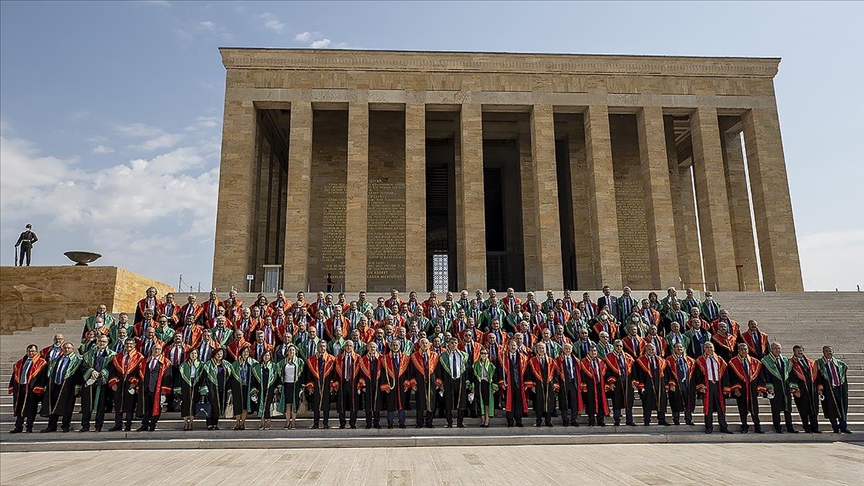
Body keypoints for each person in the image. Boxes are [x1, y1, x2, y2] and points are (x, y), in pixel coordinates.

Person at [693, 342, 732, 434]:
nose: (709, 349)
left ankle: (723, 426)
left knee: (721, 407)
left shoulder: (720, 360)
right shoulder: (700, 360)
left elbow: (725, 374)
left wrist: (726, 388)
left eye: (710, 347)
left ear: (714, 348)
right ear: (704, 349)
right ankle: (709, 427)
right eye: (707, 347)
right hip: (707, 385)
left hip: (718, 385)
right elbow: (698, 375)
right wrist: (701, 386)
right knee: (708, 407)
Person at [8, 344, 48, 433]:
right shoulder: (20, 363)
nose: (31, 353)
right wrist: (12, 387)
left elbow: (43, 377)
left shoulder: (41, 363)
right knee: (19, 408)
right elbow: (14, 376)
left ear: (36, 352)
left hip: (32, 389)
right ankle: (18, 427)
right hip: (20, 388)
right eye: (29, 351)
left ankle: (29, 427)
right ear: (26, 352)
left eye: (33, 351)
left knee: (31, 408)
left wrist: (39, 388)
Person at [727, 342, 765, 434]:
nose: (743, 351)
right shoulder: (733, 362)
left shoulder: (755, 362)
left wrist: (760, 389)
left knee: (754, 409)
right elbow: (731, 377)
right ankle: (744, 426)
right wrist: (735, 389)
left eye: (745, 349)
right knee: (742, 409)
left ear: (748, 350)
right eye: (741, 349)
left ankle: (757, 426)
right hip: (741, 390)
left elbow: (760, 377)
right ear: (738, 350)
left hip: (752, 390)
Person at [79, 335, 115, 432]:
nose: (102, 343)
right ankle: (85, 425)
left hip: (102, 382)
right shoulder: (89, 354)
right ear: (97, 341)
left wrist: (102, 373)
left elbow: (111, 367)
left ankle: (98, 426)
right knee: (87, 405)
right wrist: (91, 371)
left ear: (107, 343)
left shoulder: (112, 355)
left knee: (101, 405)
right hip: (90, 381)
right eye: (100, 341)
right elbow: (83, 365)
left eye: (104, 342)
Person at [761, 342, 798, 433]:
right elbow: (765, 375)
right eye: (775, 348)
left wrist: (792, 386)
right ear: (771, 349)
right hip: (775, 388)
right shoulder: (766, 361)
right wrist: (769, 387)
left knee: (788, 409)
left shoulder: (786, 360)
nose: (777, 350)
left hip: (785, 389)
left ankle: (790, 427)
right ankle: (777, 427)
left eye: (779, 348)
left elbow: (791, 374)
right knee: (776, 409)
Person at [108, 338, 144, 432]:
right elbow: (113, 371)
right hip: (119, 384)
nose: (128, 346)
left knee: (130, 405)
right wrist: (113, 382)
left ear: (134, 345)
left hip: (130, 384)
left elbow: (139, 372)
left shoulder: (139, 357)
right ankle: (118, 424)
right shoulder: (118, 356)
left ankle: (128, 425)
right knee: (118, 404)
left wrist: (134, 383)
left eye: (131, 344)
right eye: (127, 344)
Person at [815, 345, 851, 434]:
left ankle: (843, 426)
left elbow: (843, 377)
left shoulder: (840, 364)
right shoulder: (819, 364)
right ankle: (835, 427)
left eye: (830, 351)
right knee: (831, 408)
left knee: (842, 408)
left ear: (833, 352)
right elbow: (818, 378)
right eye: (826, 351)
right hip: (828, 389)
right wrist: (820, 388)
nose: (829, 352)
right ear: (823, 352)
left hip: (840, 389)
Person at [137, 343, 171, 432]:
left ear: (161, 351)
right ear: (152, 350)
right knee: (146, 407)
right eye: (155, 349)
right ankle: (144, 424)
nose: (156, 351)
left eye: (159, 349)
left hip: (157, 389)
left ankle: (153, 424)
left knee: (155, 408)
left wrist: (164, 392)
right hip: (146, 388)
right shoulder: (145, 361)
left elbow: (167, 378)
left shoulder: (166, 362)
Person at [633, 343, 669, 426]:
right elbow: (638, 374)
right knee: (647, 402)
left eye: (653, 349)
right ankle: (647, 420)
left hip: (659, 383)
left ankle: (661, 419)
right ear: (645, 350)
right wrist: (641, 386)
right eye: (649, 349)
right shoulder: (640, 361)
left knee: (661, 401)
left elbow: (665, 373)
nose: (651, 351)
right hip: (647, 384)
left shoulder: (661, 360)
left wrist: (666, 384)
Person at [439, 337, 470, 428]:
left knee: (461, 401)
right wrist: (441, 383)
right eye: (452, 343)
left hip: (460, 380)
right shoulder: (443, 356)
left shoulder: (463, 355)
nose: (453, 344)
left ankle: (460, 422)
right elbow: (440, 371)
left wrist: (468, 381)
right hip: (448, 380)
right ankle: (449, 422)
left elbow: (468, 369)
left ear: (458, 344)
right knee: (448, 401)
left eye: (455, 343)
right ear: (448, 344)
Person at [789, 345, 821, 433]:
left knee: (814, 408)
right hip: (801, 389)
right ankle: (806, 427)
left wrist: (819, 387)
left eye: (801, 350)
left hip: (812, 388)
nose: (799, 352)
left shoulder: (811, 362)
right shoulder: (790, 363)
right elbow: (790, 377)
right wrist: (795, 390)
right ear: (794, 352)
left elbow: (817, 376)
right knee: (803, 409)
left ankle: (815, 427)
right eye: (797, 350)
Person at [304, 340, 335, 429]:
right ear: (317, 347)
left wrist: (332, 384)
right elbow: (309, 375)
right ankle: (316, 423)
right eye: (321, 346)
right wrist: (310, 386)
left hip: (326, 384)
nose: (322, 348)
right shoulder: (311, 360)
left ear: (326, 347)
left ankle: (325, 423)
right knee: (316, 403)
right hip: (316, 383)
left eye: (324, 346)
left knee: (326, 404)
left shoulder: (332, 359)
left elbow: (334, 374)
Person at [498, 338, 529, 427]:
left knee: (518, 402)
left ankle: (519, 420)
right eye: (511, 345)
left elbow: (526, 372)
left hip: (519, 383)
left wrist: (526, 383)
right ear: (508, 346)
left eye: (514, 345)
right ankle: (510, 421)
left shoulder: (523, 358)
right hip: (508, 384)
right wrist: (502, 382)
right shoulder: (503, 357)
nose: (513, 347)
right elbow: (500, 371)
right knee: (509, 402)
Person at [410, 338, 439, 428]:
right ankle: (419, 422)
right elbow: (411, 371)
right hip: (419, 381)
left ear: (429, 344)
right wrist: (413, 383)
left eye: (426, 343)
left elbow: (438, 370)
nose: (424, 344)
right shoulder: (414, 356)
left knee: (432, 402)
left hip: (431, 381)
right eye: (422, 343)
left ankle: (429, 422)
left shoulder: (435, 355)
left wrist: (438, 382)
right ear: (419, 344)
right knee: (420, 402)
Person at [605, 340, 636, 427]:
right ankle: (617, 420)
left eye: (620, 346)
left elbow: (633, 370)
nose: (619, 347)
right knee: (617, 401)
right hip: (616, 382)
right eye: (617, 346)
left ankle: (629, 420)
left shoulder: (628, 357)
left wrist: (633, 381)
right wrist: (610, 382)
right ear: (613, 346)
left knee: (628, 401)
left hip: (627, 381)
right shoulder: (609, 357)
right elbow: (607, 371)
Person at [203, 348, 234, 431]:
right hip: (211, 388)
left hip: (221, 388)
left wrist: (229, 388)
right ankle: (209, 424)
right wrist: (204, 388)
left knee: (218, 406)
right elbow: (204, 377)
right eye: (218, 353)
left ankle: (215, 424)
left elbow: (230, 378)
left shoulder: (226, 364)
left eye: (221, 353)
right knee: (210, 406)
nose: (219, 355)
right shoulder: (208, 364)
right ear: (214, 354)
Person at [666, 342, 696, 426]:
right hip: (676, 383)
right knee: (675, 401)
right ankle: (676, 419)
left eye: (680, 347)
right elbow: (668, 373)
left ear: (683, 349)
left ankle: (688, 419)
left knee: (688, 401)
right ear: (674, 349)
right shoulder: (669, 360)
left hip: (687, 383)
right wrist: (671, 383)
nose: (679, 349)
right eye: (677, 347)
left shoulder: (690, 360)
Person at [383, 339, 410, 429]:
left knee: (401, 403)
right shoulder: (385, 358)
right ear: (390, 346)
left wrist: (407, 384)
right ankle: (390, 423)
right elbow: (383, 373)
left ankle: (402, 422)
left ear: (400, 346)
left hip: (401, 384)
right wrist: (385, 386)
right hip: (390, 384)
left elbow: (408, 372)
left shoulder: (405, 358)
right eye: (393, 345)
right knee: (390, 404)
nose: (395, 347)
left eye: (397, 345)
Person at [335, 340, 362, 429]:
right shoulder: (339, 358)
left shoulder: (358, 358)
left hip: (353, 383)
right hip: (342, 383)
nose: (349, 347)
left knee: (353, 404)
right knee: (341, 403)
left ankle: (352, 423)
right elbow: (335, 372)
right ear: (344, 347)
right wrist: (335, 382)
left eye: (350, 345)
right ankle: (342, 423)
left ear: (353, 347)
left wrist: (360, 383)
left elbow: (361, 372)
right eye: (347, 345)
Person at [579, 346, 609, 426]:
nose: (593, 352)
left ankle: (600, 420)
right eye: (591, 351)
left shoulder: (600, 362)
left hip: (599, 385)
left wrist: (606, 385)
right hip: (590, 385)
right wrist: (584, 385)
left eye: (595, 351)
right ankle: (591, 420)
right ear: (588, 352)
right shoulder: (583, 362)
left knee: (600, 402)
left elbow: (604, 375)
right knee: (590, 403)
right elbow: (582, 375)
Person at [177, 349, 205, 431]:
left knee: (194, 402)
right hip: (186, 384)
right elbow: (179, 377)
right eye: (192, 353)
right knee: (185, 402)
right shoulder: (183, 365)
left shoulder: (201, 364)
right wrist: (178, 388)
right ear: (189, 354)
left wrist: (202, 387)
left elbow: (203, 377)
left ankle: (191, 422)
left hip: (196, 384)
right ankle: (186, 422)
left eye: (195, 353)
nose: (194, 355)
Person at [252, 350, 280, 430]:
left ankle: (268, 424)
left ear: (270, 357)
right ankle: (262, 423)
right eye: (265, 355)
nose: (266, 357)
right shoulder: (257, 367)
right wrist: (254, 390)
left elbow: (277, 379)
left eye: (268, 355)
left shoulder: (274, 367)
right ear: (262, 357)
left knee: (269, 406)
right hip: (260, 389)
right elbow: (254, 380)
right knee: (260, 405)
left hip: (270, 389)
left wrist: (276, 388)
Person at [556, 343, 582, 427]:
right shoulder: (558, 359)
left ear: (571, 350)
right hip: (563, 383)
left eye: (569, 349)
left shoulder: (575, 359)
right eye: (566, 348)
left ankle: (573, 419)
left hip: (573, 382)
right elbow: (556, 372)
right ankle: (565, 420)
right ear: (563, 349)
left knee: (574, 401)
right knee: (564, 401)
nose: (568, 350)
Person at [231, 346, 255, 430]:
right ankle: (237, 423)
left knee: (245, 406)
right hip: (237, 387)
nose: (246, 353)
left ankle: (242, 423)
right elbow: (231, 377)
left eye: (247, 352)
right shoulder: (236, 363)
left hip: (247, 387)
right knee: (237, 405)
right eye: (244, 352)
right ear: (241, 353)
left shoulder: (253, 363)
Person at [473, 348, 497, 428]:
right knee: (480, 402)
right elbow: (473, 377)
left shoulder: (491, 365)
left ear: (487, 355)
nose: (483, 355)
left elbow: (495, 376)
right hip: (479, 384)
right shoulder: (476, 365)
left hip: (487, 385)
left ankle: (487, 419)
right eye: (482, 353)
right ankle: (482, 419)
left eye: (485, 353)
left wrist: (494, 387)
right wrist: (472, 386)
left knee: (487, 402)